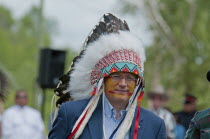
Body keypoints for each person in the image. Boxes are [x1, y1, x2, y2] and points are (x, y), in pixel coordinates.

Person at [49, 13, 166, 139]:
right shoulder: (72, 113)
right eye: (116, 76)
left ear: (138, 84)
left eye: (130, 78)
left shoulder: (154, 125)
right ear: (103, 80)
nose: (123, 83)